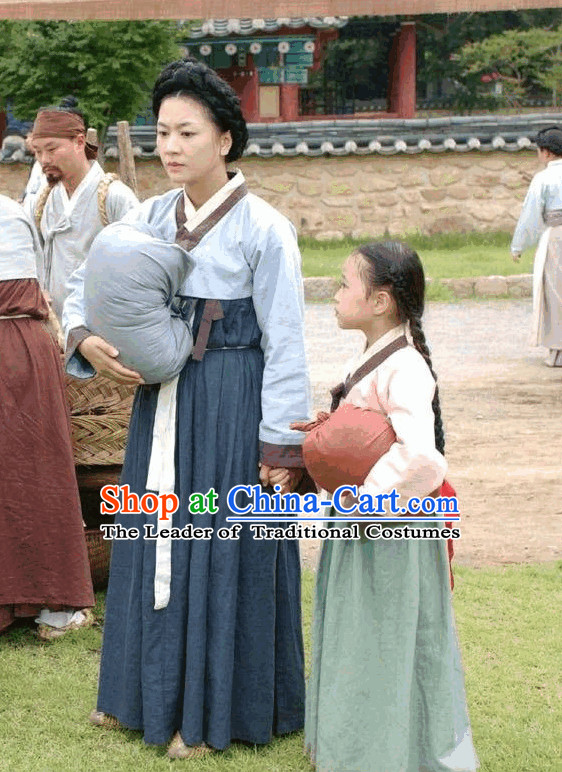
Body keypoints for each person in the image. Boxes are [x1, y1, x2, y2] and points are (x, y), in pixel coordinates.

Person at [63, 58, 311, 758]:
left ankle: (212, 713)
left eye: (187, 132)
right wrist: (87, 338)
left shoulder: (265, 230)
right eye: (163, 132)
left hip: (232, 407)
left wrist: (278, 448)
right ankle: (140, 697)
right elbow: (82, 287)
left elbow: (288, 344)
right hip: (161, 407)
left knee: (223, 543)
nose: (171, 146)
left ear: (225, 140)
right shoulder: (146, 215)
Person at [304, 242, 478, 772]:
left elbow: (423, 458)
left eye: (342, 284)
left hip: (392, 529)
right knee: (361, 634)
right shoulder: (375, 356)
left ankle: (388, 752)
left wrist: (364, 497)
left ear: (380, 301)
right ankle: (356, 745)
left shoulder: (406, 366)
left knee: (388, 638)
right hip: (368, 522)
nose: (333, 295)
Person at [0, 194, 94, 638]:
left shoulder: (6, 213)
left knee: (32, 476)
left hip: (16, 353)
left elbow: (13, 290)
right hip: (17, 349)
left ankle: (55, 597)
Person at [23, 96, 138, 322]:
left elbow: (139, 271)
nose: (44, 159)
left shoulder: (114, 197)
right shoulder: (42, 202)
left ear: (79, 142)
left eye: (52, 149)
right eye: (37, 152)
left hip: (101, 330)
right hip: (53, 328)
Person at [511, 126, 562, 367]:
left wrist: (518, 246)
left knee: (555, 291)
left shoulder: (543, 178)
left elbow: (530, 215)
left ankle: (559, 349)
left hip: (557, 236)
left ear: (547, 153)